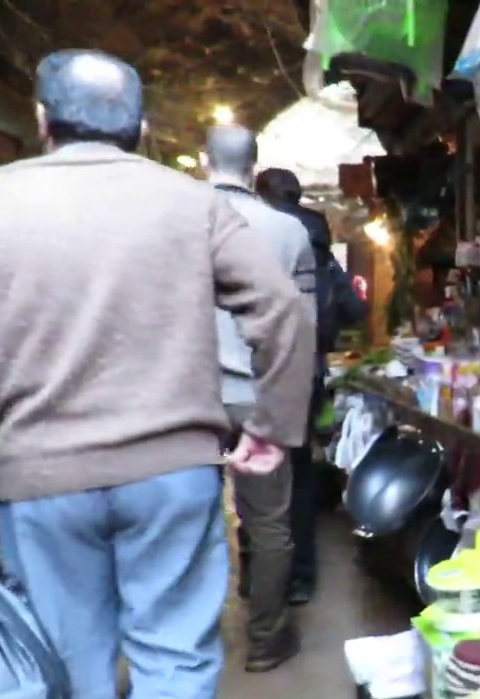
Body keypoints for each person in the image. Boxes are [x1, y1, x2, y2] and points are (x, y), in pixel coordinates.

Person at [0, 49, 314, 699]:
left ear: (41, 119)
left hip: (40, 483)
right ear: (141, 129)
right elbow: (282, 309)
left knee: (73, 668)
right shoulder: (190, 203)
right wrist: (272, 428)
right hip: (172, 475)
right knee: (174, 658)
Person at [206, 126, 316, 671]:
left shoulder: (176, 221)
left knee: (191, 519)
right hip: (258, 394)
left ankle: (192, 641)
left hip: (190, 398)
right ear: (254, 167)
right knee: (269, 521)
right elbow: (302, 326)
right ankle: (267, 640)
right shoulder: (289, 231)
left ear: (205, 161)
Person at [256, 167, 366, 605]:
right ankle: (302, 576)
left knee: (260, 473)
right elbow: (355, 309)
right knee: (300, 471)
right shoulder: (320, 245)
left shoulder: (256, 239)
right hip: (311, 373)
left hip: (261, 375)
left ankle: (260, 577)